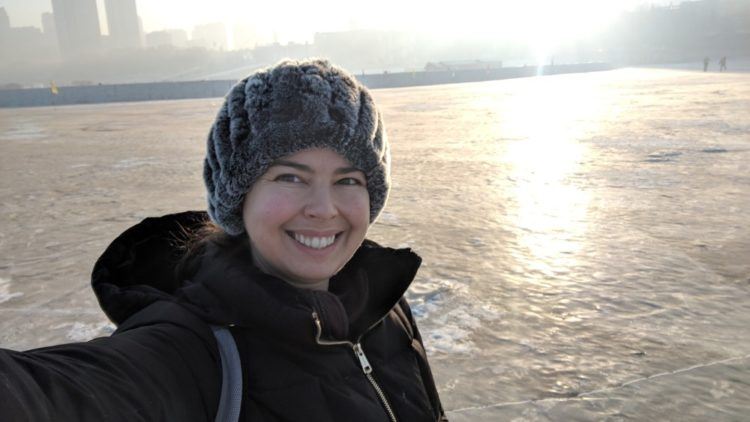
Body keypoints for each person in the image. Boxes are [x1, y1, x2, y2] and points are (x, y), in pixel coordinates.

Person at [0, 59, 447, 422]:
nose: (324, 208)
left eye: (348, 180)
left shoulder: (386, 305)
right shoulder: (192, 354)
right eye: (291, 176)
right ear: (238, 196)